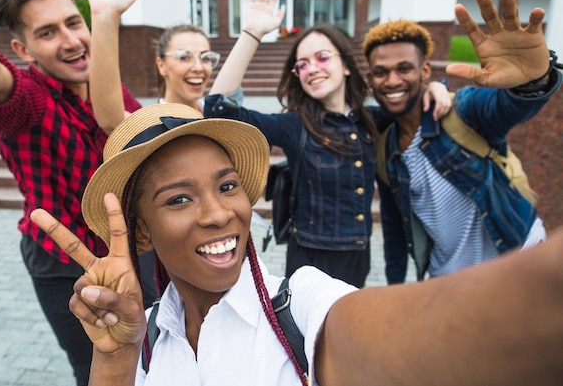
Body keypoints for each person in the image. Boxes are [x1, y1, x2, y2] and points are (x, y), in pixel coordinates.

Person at [30, 101, 563, 386]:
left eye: (227, 185)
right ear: (140, 230)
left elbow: (453, 334)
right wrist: (119, 353)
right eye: (178, 200)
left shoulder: (303, 306)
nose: (220, 214)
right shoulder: (147, 338)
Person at [0, 0, 143, 385]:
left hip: (137, 253)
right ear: (23, 49)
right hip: (65, 264)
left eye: (72, 23)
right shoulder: (28, 100)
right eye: (47, 32)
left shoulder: (111, 90)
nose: (69, 40)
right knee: (97, 370)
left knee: (156, 355)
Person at [203, 0, 451, 287]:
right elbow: (217, 111)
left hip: (358, 256)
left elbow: (413, 99)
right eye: (302, 65)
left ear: (346, 65)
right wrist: (252, 33)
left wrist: (438, 86)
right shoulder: (295, 125)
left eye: (322, 57)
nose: (312, 69)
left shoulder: (374, 120)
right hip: (310, 258)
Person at [361, 0, 562, 284]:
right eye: (381, 72)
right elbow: (394, 228)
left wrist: (532, 81)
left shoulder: (461, 110)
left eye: (404, 68)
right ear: (370, 79)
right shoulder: (384, 151)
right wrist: (395, 290)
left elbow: (507, 107)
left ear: (425, 70)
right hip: (449, 281)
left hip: (518, 263)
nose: (392, 80)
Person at [86, 0, 252, 306]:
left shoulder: (218, 118)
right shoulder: (147, 127)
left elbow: (225, 90)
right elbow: (108, 116)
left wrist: (252, 32)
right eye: (184, 57)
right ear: (161, 65)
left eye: (206, 57)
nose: (198, 66)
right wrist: (104, 19)